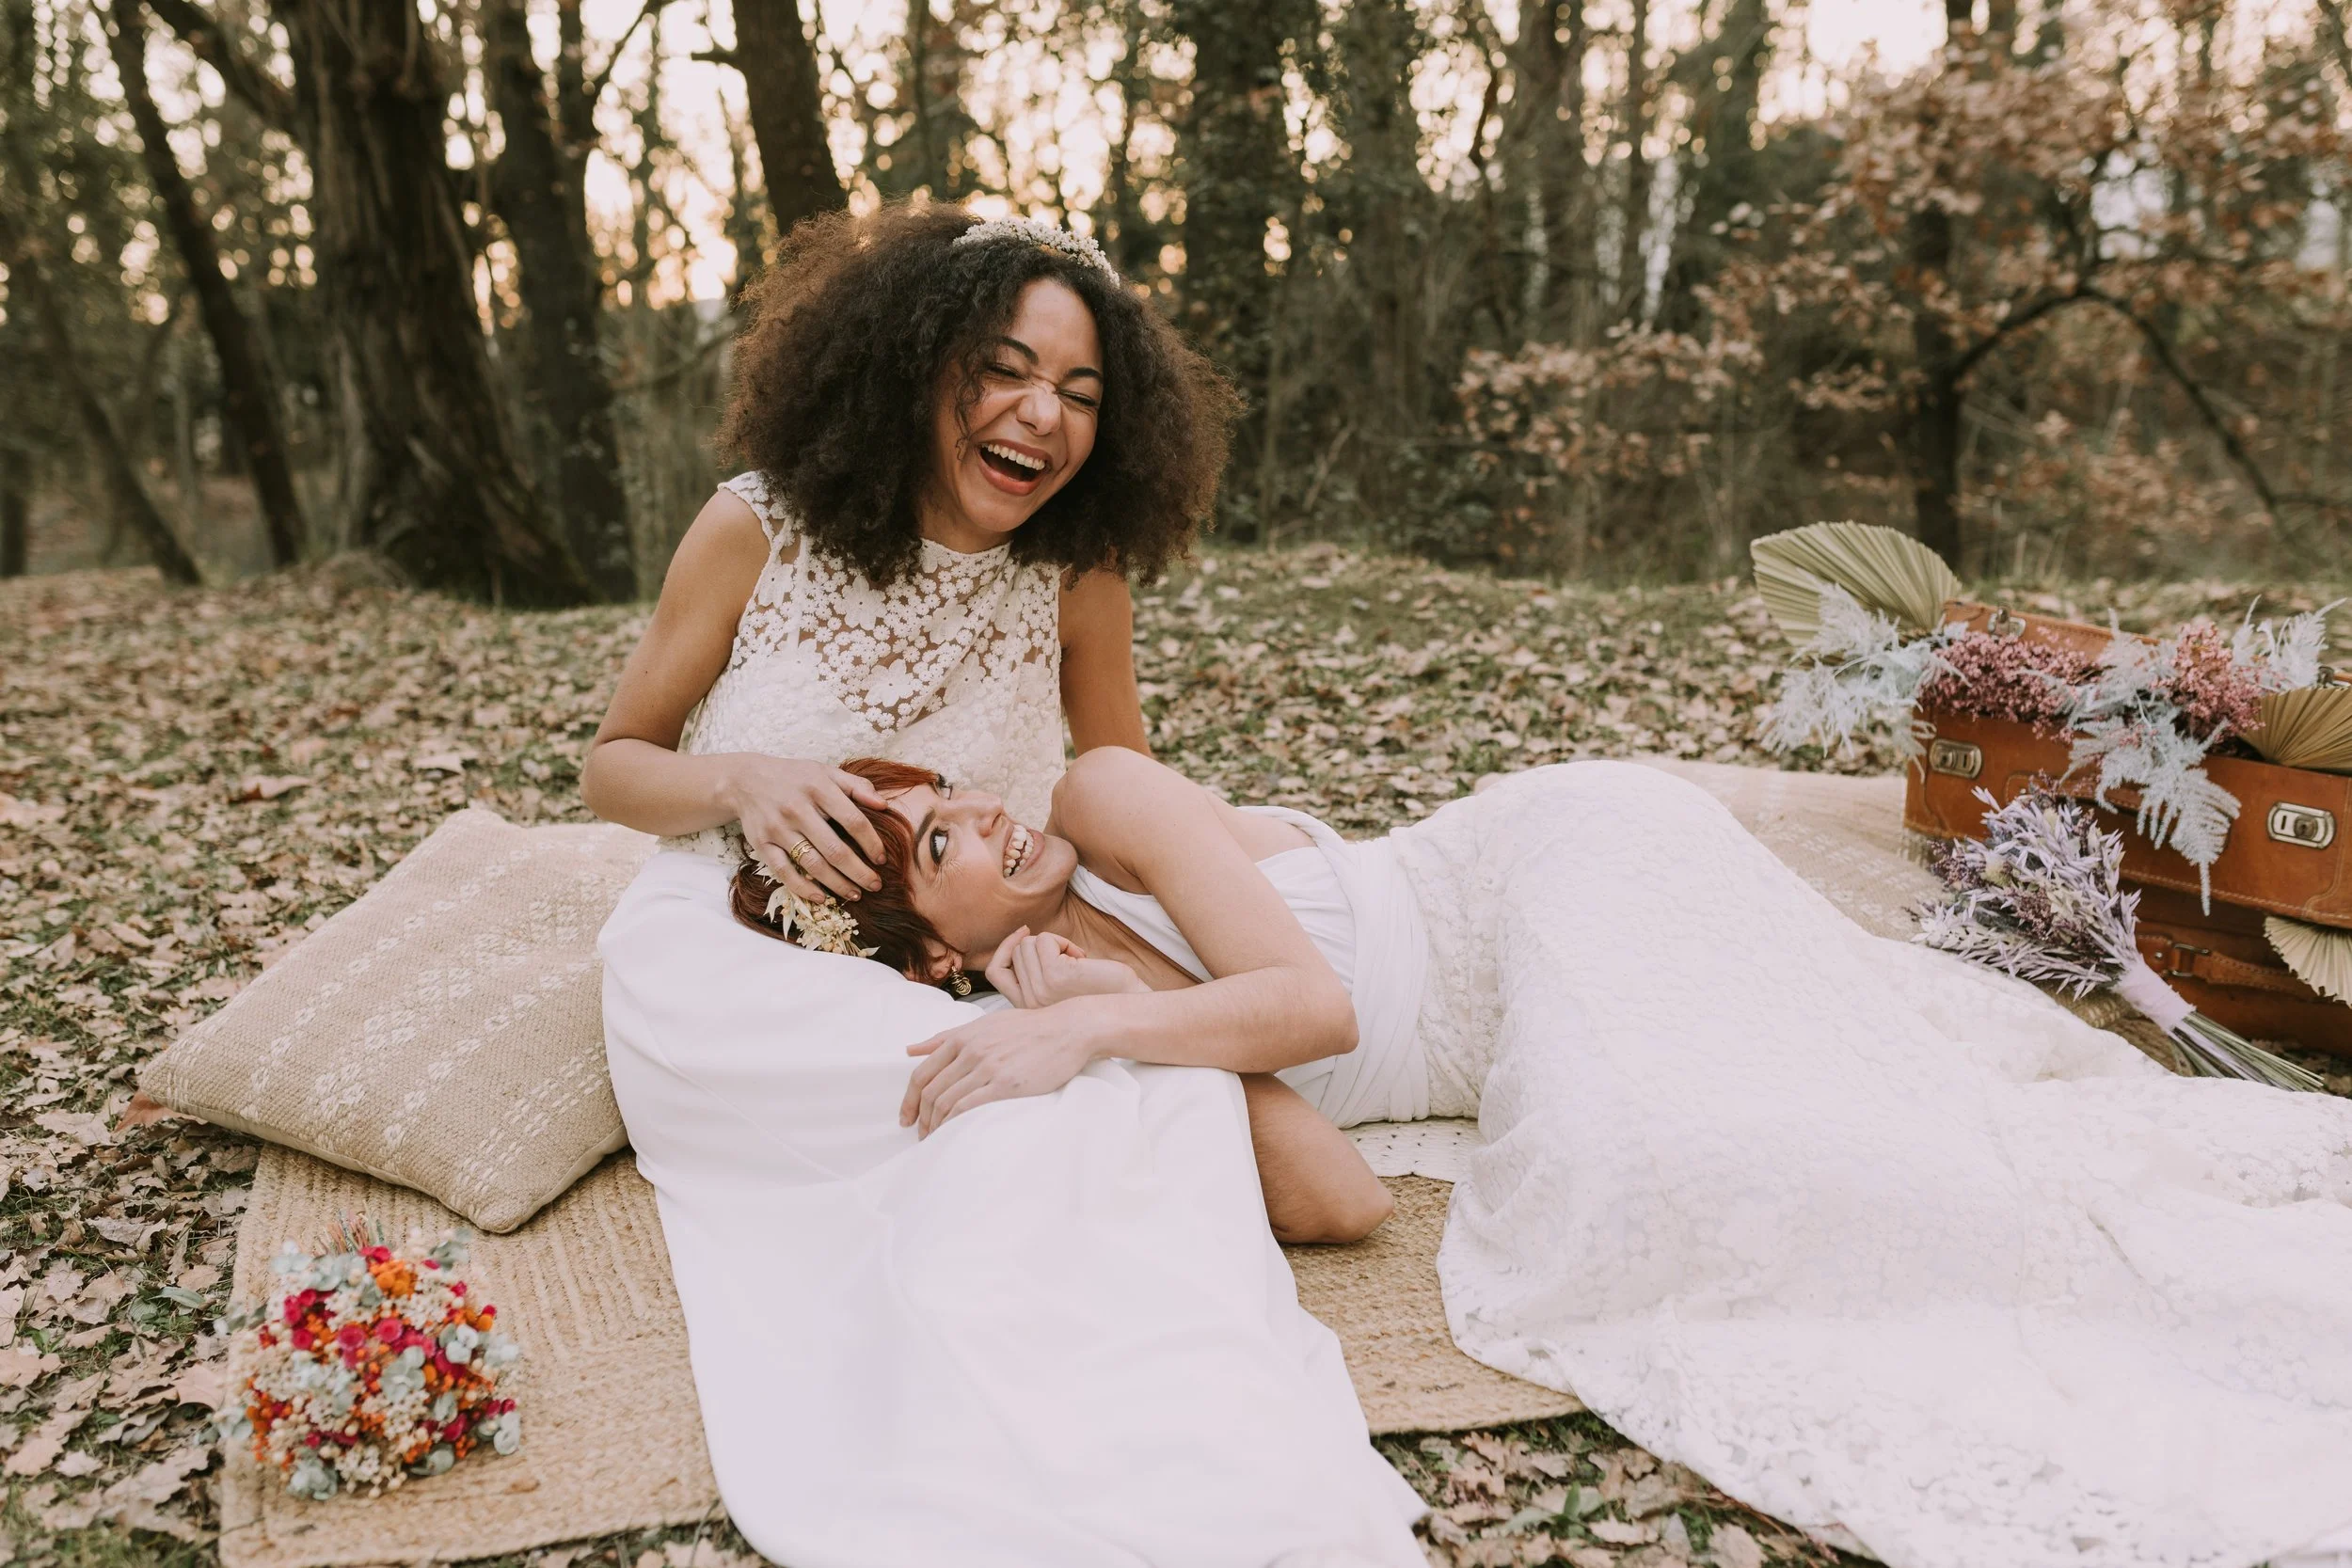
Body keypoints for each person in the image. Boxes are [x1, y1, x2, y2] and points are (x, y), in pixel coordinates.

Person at [740, 744, 2352, 1568]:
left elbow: (1314, 1004)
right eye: (940, 841)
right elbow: (1338, 1195)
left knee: (1681, 1170)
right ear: (936, 957)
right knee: (1740, 1170)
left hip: (1541, 876)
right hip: (1508, 1022)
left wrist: (1100, 1022)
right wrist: (1099, 1026)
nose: (985, 813)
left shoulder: (1102, 794)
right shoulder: (1063, 1026)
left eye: (951, 794)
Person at [589, 206, 1425, 1566]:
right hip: (729, 946)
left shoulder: (1076, 575)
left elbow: (1125, 789)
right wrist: (741, 778)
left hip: (954, 949)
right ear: (916, 367)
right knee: (940, 1111)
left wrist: (1188, 911)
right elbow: (614, 765)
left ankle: (1124, 1430)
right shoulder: (756, 529)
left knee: (1041, 1095)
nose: (1043, 414)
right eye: (1006, 369)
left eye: (1081, 393)